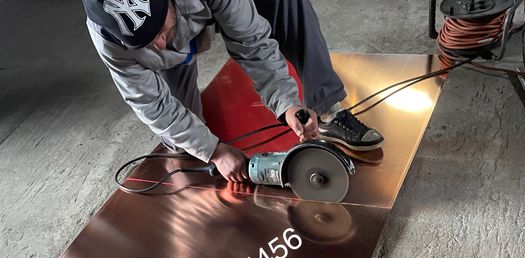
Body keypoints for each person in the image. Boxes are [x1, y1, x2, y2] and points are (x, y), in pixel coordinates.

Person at [82, 0, 383, 182]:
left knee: (287, 5)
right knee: (183, 148)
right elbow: (153, 105)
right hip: (172, 38)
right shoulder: (107, 37)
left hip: (200, 8)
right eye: (147, 41)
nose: (159, 43)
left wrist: (287, 104)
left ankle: (327, 108)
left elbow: (253, 44)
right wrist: (213, 151)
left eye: (159, 30)